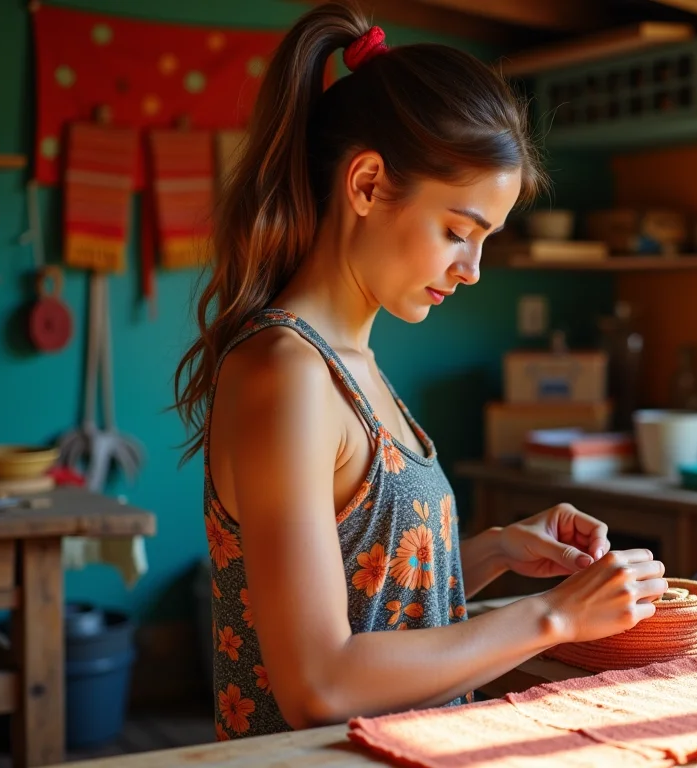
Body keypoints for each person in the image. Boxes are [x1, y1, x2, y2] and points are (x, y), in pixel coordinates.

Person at [173, 1, 668, 741]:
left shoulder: (352, 366)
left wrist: (499, 549)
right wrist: (557, 615)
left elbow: (369, 602)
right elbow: (320, 682)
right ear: (368, 184)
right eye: (457, 232)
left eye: (484, 242)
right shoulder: (286, 373)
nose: (471, 270)